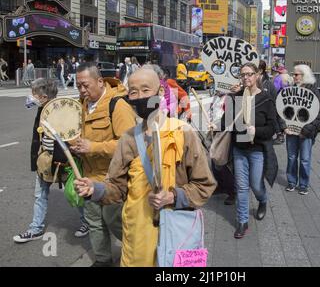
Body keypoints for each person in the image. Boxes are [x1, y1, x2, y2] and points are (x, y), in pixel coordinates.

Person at [74, 65, 216, 267]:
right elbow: (117, 188)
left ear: (159, 92)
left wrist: (173, 196)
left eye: (146, 90)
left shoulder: (183, 133)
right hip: (137, 238)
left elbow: (204, 185)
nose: (139, 96)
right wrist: (94, 189)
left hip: (176, 234)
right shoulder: (128, 139)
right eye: (133, 91)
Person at [70, 63, 136, 267]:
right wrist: (74, 145)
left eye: (85, 85)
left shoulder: (118, 106)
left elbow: (129, 144)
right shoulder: (80, 105)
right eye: (78, 86)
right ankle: (102, 260)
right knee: (94, 223)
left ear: (100, 82)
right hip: (88, 175)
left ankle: (136, 255)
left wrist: (93, 147)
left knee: (115, 222)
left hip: (112, 179)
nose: (82, 90)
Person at [13, 78, 88, 243]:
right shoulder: (42, 110)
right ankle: (36, 229)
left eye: (34, 94)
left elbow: (70, 136)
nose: (31, 97)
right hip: (45, 161)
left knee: (76, 193)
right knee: (40, 196)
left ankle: (87, 223)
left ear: (44, 96)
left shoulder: (62, 110)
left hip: (64, 161)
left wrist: (67, 161)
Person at [220, 63, 276, 239]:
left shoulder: (266, 99)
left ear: (257, 75)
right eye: (243, 75)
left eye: (249, 74)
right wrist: (216, 126)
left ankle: (262, 200)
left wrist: (256, 131)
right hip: (239, 149)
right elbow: (226, 122)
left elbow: (272, 128)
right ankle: (242, 221)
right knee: (242, 186)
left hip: (257, 149)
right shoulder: (236, 97)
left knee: (255, 184)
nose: (246, 78)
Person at [285, 65, 320, 195]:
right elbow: (282, 110)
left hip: (306, 131)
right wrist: (285, 127)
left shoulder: (313, 91)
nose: (293, 77)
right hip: (291, 130)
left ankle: (303, 184)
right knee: (291, 157)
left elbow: (316, 115)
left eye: (296, 74)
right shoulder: (290, 89)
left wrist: (305, 131)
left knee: (305, 159)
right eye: (293, 74)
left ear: (304, 75)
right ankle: (291, 182)